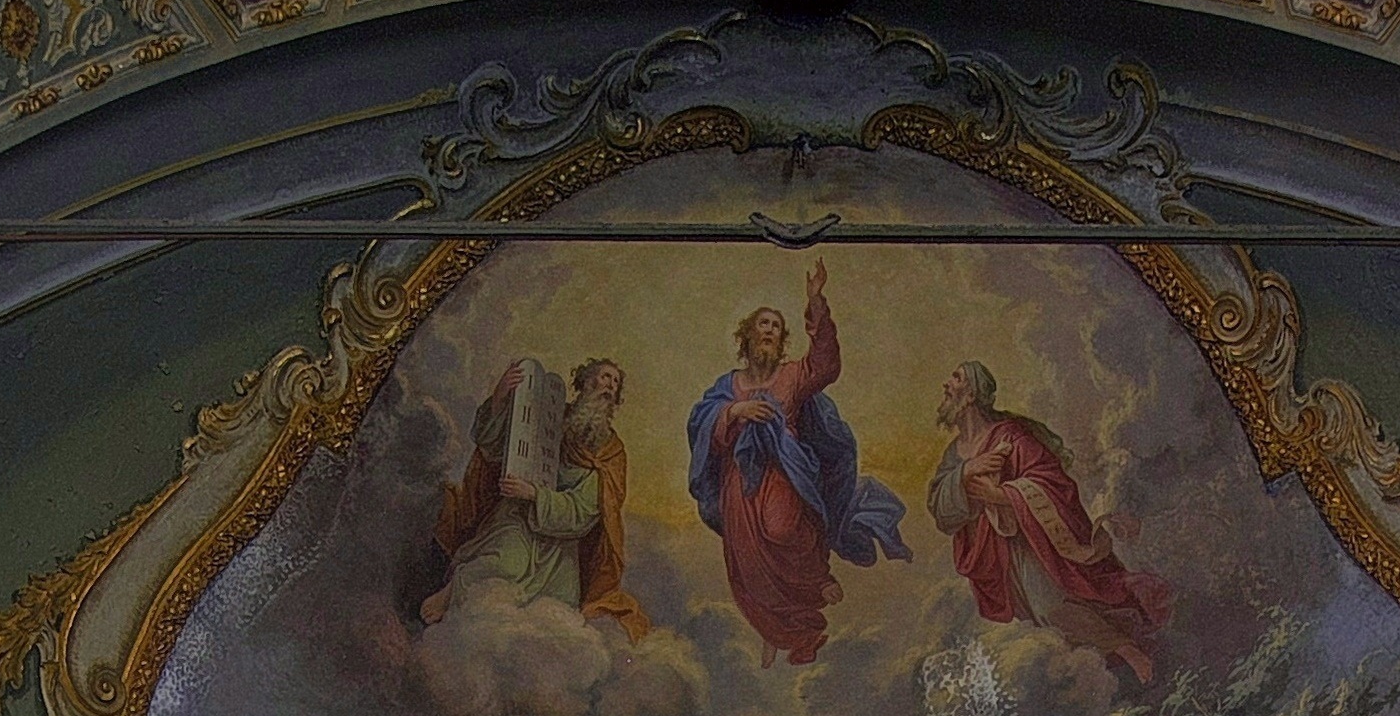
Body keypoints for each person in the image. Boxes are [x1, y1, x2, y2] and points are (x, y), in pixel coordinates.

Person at [686, 264, 907, 664]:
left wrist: (816, 303)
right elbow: (701, 418)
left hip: (785, 469)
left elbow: (825, 365)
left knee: (783, 527)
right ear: (748, 337)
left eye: (776, 327)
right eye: (763, 325)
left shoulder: (793, 375)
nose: (769, 330)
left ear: (782, 339)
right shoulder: (728, 384)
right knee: (748, 561)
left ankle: (815, 580)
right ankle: (782, 632)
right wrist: (736, 411)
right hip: (739, 480)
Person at [928, 359, 1170, 681]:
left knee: (1052, 608)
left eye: (955, 378)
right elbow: (939, 506)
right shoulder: (954, 454)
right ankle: (1104, 674)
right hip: (999, 552)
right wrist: (968, 473)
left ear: (971, 394)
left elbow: (1051, 479)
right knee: (1039, 624)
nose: (946, 385)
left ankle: (1133, 654)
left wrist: (999, 495)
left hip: (1036, 542)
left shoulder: (1009, 435)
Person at [422, 355, 649, 635]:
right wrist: (501, 397)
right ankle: (454, 589)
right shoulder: (549, 417)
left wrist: (536, 495)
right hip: (517, 517)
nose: (610, 386)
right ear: (585, 382)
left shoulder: (612, 452)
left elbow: (587, 509)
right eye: (605, 377)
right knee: (503, 564)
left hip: (561, 542)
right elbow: (495, 447)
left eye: (615, 383)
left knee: (557, 612)